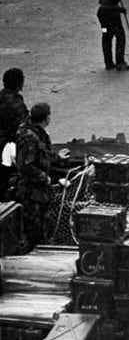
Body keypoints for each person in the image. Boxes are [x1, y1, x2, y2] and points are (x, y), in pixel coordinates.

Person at [13, 102, 69, 252]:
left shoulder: (35, 132)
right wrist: (44, 177)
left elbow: (42, 154)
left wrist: (56, 157)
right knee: (35, 230)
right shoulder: (30, 139)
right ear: (46, 118)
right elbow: (25, 166)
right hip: (32, 192)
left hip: (38, 190)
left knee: (42, 226)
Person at [96, 0, 129, 71]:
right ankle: (120, 62)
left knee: (106, 36)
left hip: (102, 14)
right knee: (120, 36)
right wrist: (121, 10)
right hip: (111, 15)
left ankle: (109, 63)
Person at [0, 67, 27, 198]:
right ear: (19, 83)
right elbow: (23, 127)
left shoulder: (2, 96)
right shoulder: (16, 103)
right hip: (9, 145)